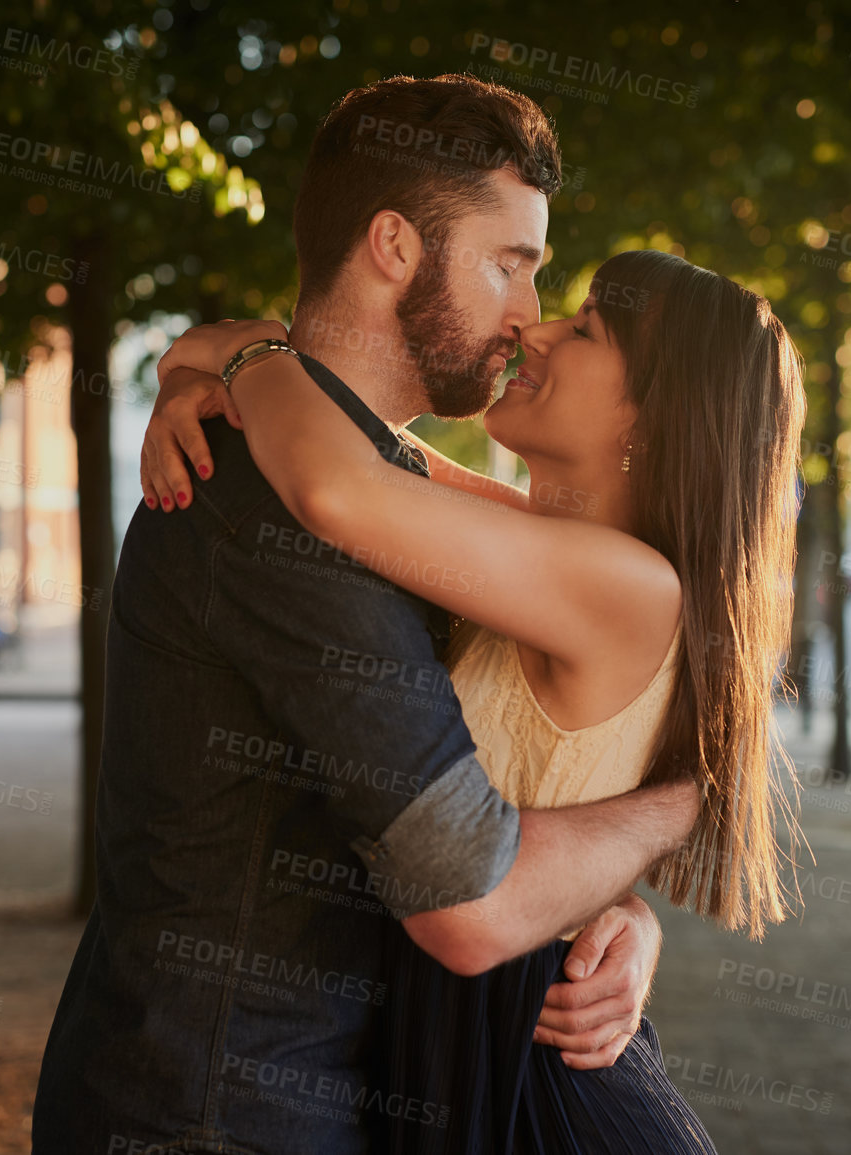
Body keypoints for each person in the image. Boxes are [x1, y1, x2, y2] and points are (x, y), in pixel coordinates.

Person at [32, 74, 703, 1155]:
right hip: (219, 1112)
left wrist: (617, 913)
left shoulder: (381, 481)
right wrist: (680, 803)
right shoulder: (272, 494)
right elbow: (466, 890)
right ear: (395, 247)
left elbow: (515, 768)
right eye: (508, 265)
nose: (527, 317)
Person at [141, 246, 806, 1149]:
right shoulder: (529, 540)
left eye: (585, 330)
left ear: (650, 417)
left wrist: (253, 361)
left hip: (538, 1089)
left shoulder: (629, 584)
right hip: (465, 1054)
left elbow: (334, 483)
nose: (535, 327)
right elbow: (325, 433)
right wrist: (202, 381)